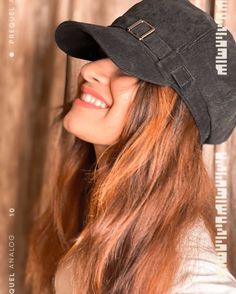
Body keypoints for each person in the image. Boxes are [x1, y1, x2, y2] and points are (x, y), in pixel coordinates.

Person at [25, 0, 236, 293]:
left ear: (172, 118)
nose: (90, 70)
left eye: (126, 66)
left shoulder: (194, 279)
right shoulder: (101, 221)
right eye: (103, 54)